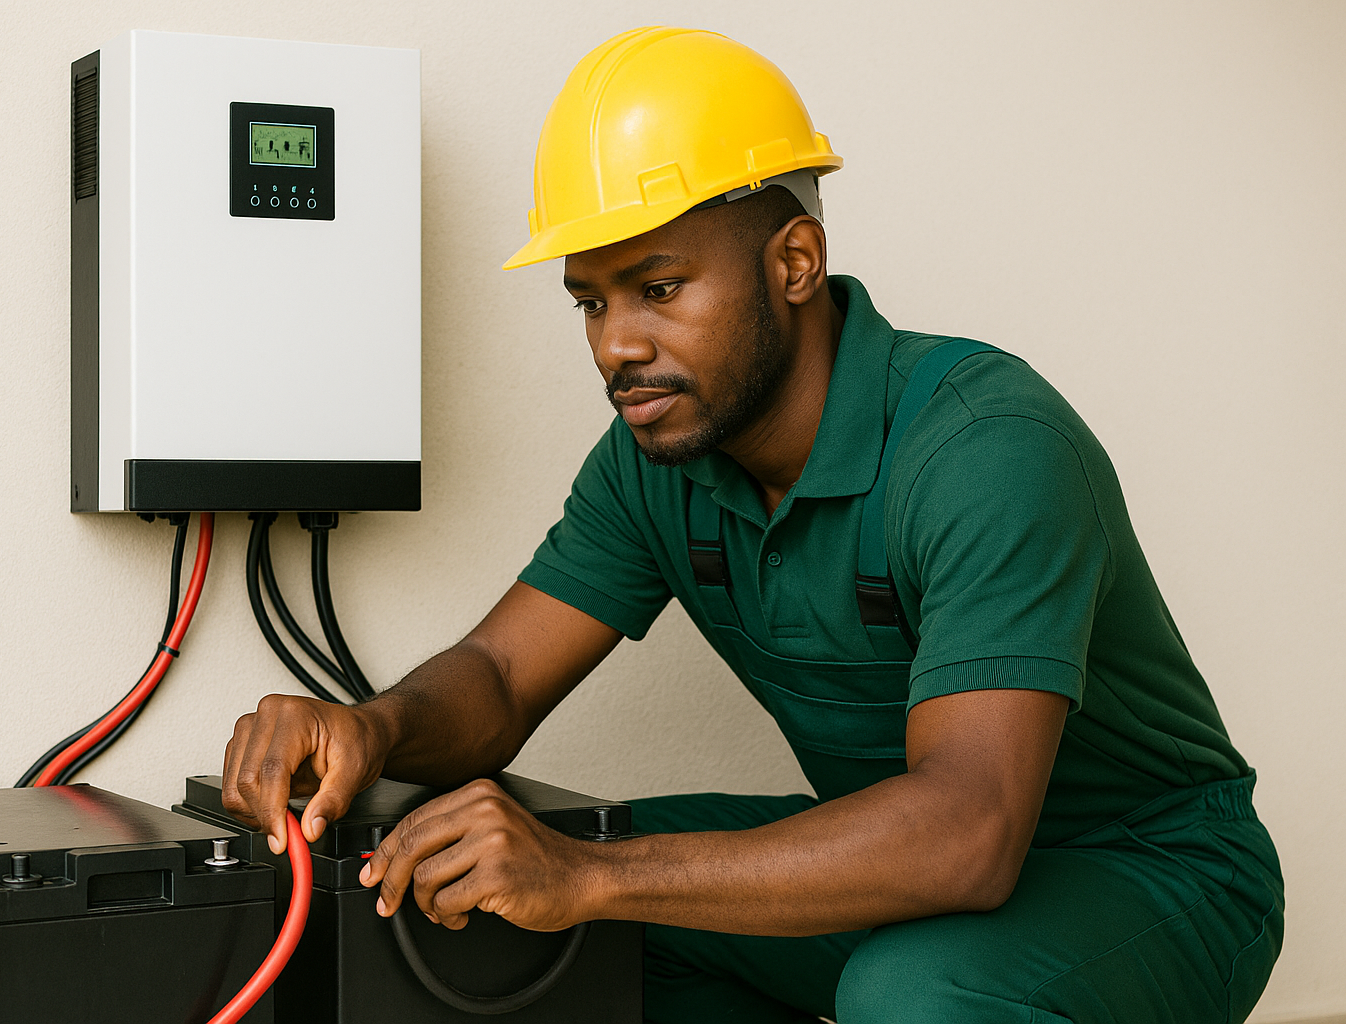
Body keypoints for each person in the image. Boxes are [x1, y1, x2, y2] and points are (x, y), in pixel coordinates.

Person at [222, 27, 1283, 1023]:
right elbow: (500, 676)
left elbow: (968, 830)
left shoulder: (985, 446)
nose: (616, 345)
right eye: (591, 302)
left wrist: (589, 875)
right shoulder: (658, 459)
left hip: (1151, 872)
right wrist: (372, 728)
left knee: (904, 989)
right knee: (540, 909)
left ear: (795, 262)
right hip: (904, 850)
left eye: (659, 287)